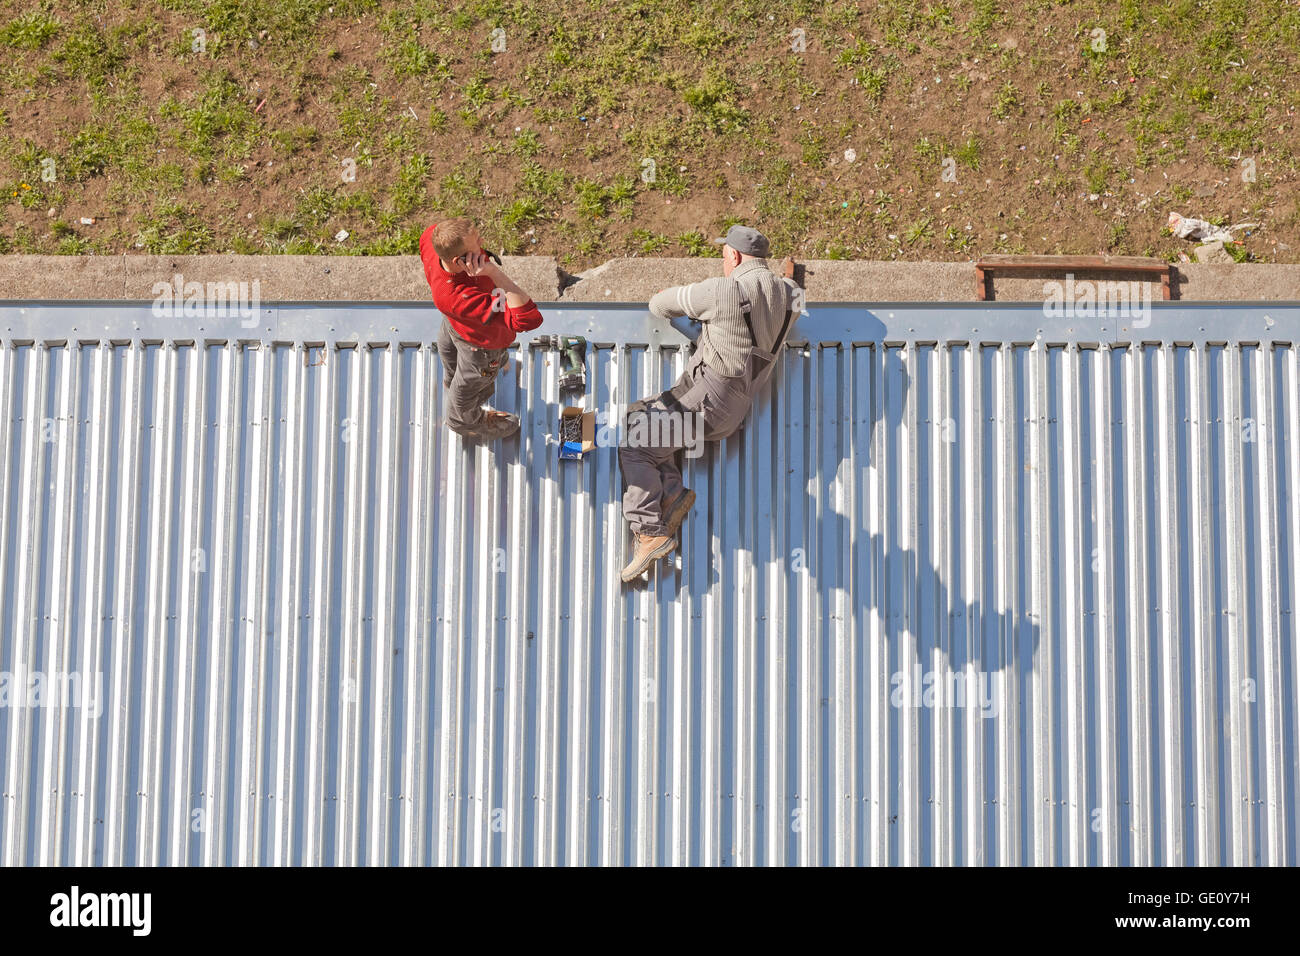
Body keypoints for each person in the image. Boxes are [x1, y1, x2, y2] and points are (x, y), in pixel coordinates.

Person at [618, 225, 801, 582]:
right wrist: (790, 275)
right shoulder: (787, 295)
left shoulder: (722, 291)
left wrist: (683, 301)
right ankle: (671, 495)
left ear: (733, 256)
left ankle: (648, 531)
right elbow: (796, 290)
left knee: (635, 446)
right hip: (733, 411)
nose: (723, 262)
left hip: (704, 399)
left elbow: (659, 305)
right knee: (640, 413)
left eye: (723, 256)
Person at [420, 218, 544, 439]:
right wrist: (494, 273)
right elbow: (528, 319)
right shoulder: (459, 296)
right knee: (468, 387)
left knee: (450, 356)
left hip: (455, 324)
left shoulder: (431, 240)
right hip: (481, 346)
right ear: (460, 261)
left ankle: (451, 379)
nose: (483, 241)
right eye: (477, 241)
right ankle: (464, 422)